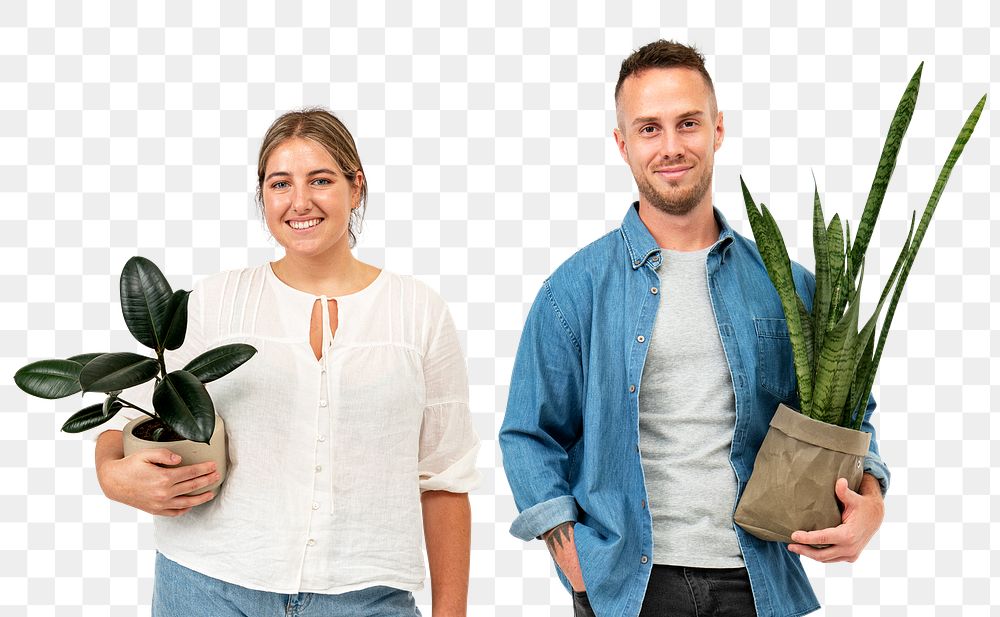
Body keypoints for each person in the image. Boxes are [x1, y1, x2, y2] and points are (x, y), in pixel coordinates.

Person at [498, 40, 889, 617]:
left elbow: (850, 416)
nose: (672, 146)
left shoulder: (788, 286)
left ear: (718, 129)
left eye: (688, 123)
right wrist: (571, 556)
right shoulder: (573, 291)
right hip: (628, 588)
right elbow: (529, 434)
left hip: (758, 583)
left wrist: (872, 504)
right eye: (649, 128)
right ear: (622, 143)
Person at [94, 108, 480, 616]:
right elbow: (130, 419)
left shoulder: (418, 313)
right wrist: (111, 475)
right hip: (208, 586)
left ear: (355, 187)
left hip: (364, 597)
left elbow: (445, 479)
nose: (300, 201)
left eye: (320, 180)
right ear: (263, 196)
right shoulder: (217, 302)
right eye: (280, 184)